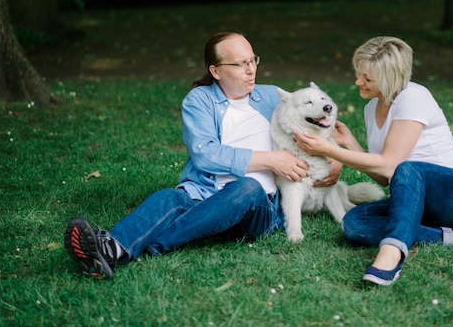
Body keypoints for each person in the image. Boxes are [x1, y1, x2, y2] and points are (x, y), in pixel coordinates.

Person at [64, 31, 341, 279]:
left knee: (248, 187)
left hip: (259, 207)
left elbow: (325, 118)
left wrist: (336, 157)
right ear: (216, 71)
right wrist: (271, 159)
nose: (250, 70)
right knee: (168, 197)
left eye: (253, 60)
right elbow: (205, 154)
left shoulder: (269, 96)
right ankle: (111, 250)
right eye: (239, 63)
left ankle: (153, 243)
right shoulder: (200, 100)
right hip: (203, 193)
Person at [294, 36, 453, 286]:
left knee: (407, 168)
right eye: (358, 73)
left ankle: (391, 253)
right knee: (353, 223)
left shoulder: (413, 97)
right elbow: (386, 178)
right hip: (413, 200)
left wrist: (330, 151)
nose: (358, 82)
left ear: (390, 78)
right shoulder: (371, 108)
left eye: (367, 78)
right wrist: (351, 144)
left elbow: (391, 165)